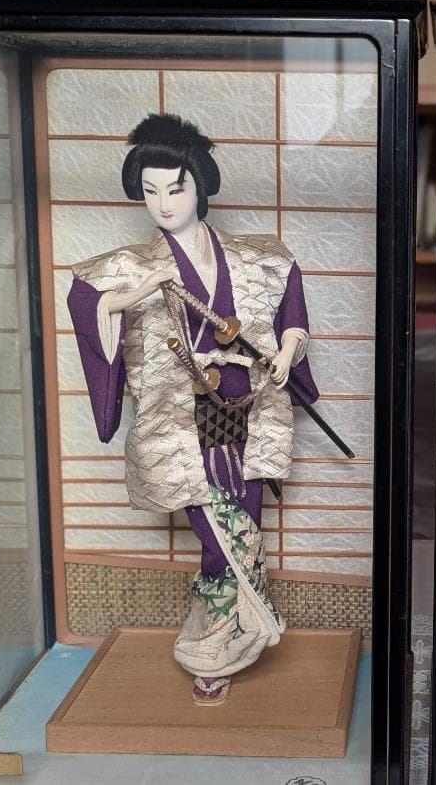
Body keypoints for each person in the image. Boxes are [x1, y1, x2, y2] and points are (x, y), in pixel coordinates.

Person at [68, 114, 318, 706]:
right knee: (219, 532)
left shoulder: (259, 258)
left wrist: (287, 353)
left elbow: (292, 312)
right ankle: (216, 643)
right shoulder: (129, 265)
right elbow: (88, 303)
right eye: (150, 190)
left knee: (244, 521)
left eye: (175, 188)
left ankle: (226, 638)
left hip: (248, 412)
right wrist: (138, 292)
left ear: (200, 185)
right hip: (183, 423)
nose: (163, 203)